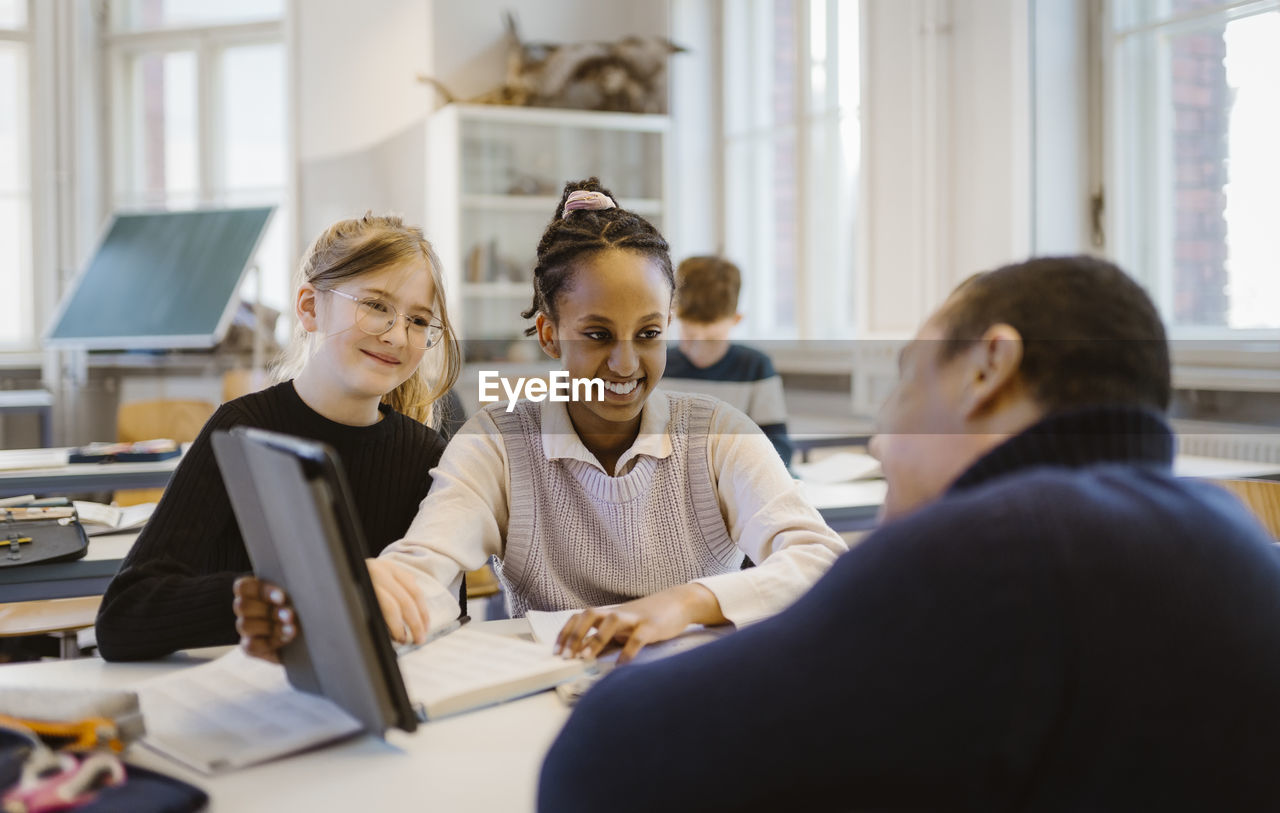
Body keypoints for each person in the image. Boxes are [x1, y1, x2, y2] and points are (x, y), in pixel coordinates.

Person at [538, 256, 1280, 811]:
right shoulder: (1232, 539)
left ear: (989, 366)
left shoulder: (998, 551)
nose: (879, 442)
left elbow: (599, 765)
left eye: (906, 379)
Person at [343, 177, 844, 662]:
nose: (626, 365)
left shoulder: (719, 433)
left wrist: (682, 603)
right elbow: (428, 563)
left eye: (648, 334)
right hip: (558, 701)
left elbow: (821, 561)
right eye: (598, 335)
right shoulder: (497, 441)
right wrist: (379, 593)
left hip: (695, 694)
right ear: (549, 334)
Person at [95, 213, 461, 661]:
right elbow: (124, 616)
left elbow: (443, 622)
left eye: (419, 320)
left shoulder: (426, 454)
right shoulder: (240, 430)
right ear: (309, 308)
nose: (398, 336)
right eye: (376, 306)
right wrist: (296, 592)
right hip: (246, 695)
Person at [663, 255, 792, 467]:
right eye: (690, 335)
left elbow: (778, 447)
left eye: (712, 338)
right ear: (672, 317)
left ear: (736, 320)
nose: (700, 348)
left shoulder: (755, 367)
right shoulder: (660, 366)